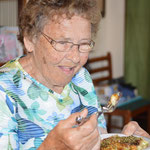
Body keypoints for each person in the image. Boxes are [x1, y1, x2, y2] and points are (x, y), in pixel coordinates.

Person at [0, 0, 149, 149]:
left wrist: (127, 142)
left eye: (84, 44)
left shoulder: (81, 77)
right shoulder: (4, 90)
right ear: (30, 40)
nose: (75, 58)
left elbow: (97, 139)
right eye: (63, 42)